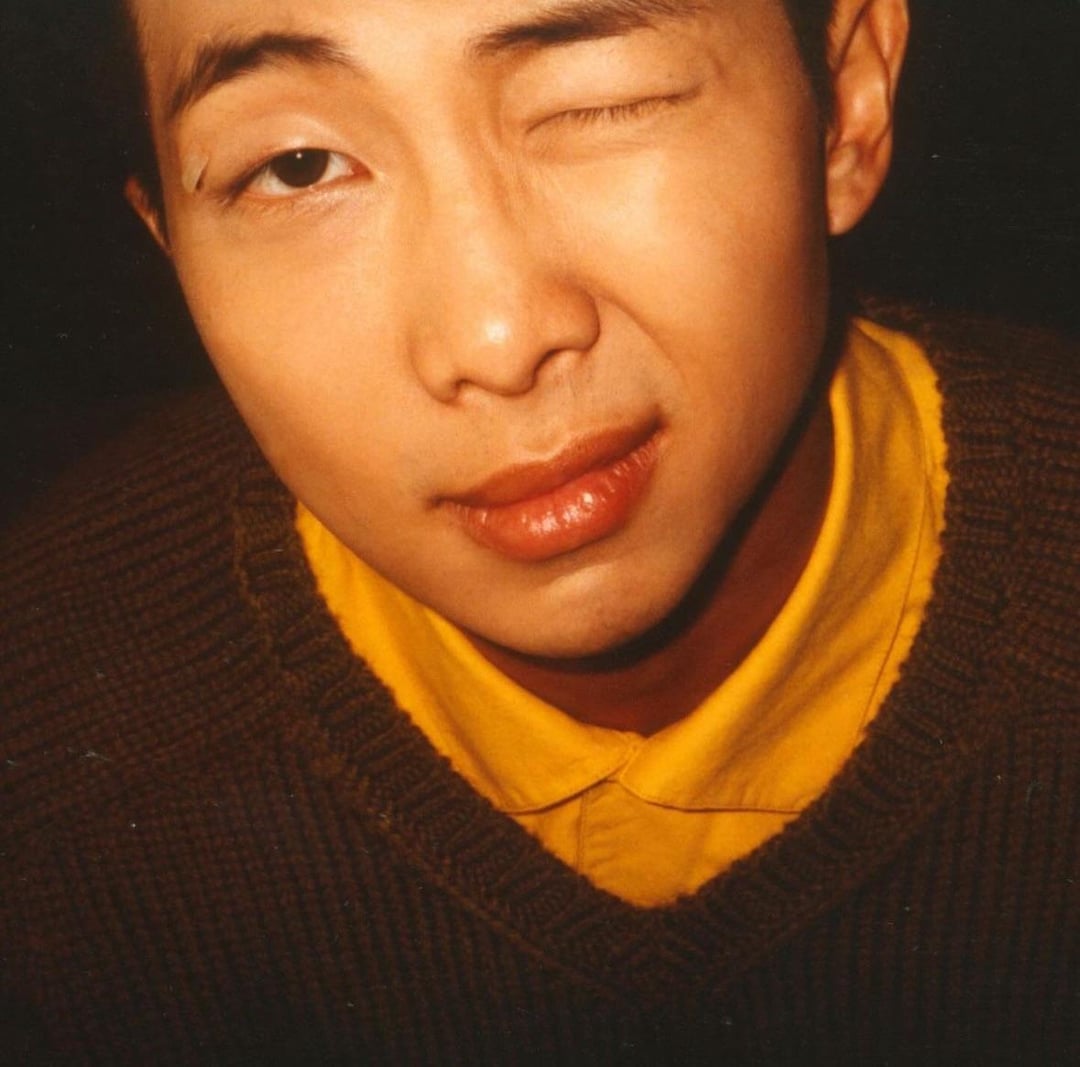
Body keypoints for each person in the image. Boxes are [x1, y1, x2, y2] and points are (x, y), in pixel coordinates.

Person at [1, 0, 1076, 1062]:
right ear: (169, 242)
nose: (496, 337)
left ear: (845, 102)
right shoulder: (44, 763)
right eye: (295, 167)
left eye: (600, 102)